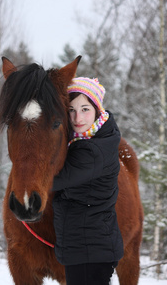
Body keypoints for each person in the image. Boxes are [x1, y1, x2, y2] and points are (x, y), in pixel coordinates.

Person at [52, 77, 124, 285]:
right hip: (87, 246)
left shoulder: (94, 151)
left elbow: (54, 181)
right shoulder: (88, 139)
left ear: (97, 111)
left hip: (91, 251)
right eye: (71, 110)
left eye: (85, 109)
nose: (77, 117)